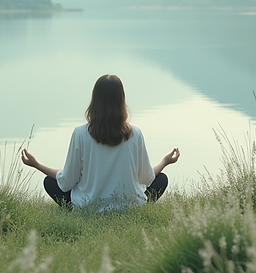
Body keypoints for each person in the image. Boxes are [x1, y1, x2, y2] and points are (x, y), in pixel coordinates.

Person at [21, 74, 180, 210]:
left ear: (95, 100)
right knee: (161, 179)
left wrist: (37, 165)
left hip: (89, 206)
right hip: (130, 206)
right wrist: (165, 162)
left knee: (50, 182)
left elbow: (67, 181)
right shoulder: (135, 134)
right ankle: (132, 207)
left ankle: (83, 209)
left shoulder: (80, 133)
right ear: (121, 100)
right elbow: (146, 178)